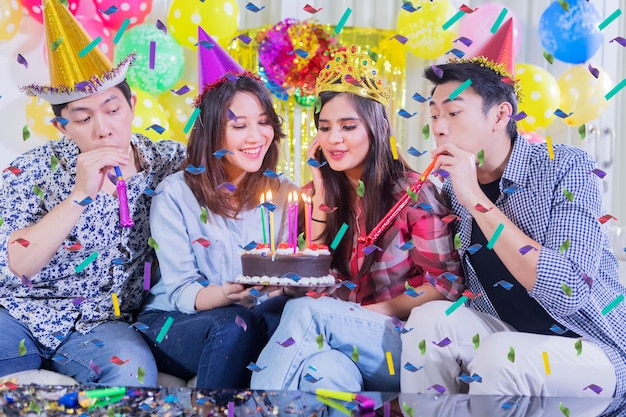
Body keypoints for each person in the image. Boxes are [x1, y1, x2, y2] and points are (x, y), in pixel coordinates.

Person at [400, 19, 626, 397]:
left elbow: (570, 290)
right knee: (428, 321)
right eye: (434, 114)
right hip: (507, 336)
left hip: (590, 348)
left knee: (500, 355)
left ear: (501, 115)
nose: (439, 127)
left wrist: (477, 199)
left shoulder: (567, 167)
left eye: (453, 113)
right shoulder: (449, 186)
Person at [251, 45, 463, 394]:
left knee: (307, 313)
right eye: (325, 127)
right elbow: (310, 279)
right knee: (323, 372)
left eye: (348, 126)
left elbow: (446, 286)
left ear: (376, 128)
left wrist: (369, 312)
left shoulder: (414, 193)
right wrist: (320, 192)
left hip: (404, 342)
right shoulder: (316, 193)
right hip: (339, 337)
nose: (334, 139)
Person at [0, 0, 185, 386]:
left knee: (132, 374)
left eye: (112, 109)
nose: (103, 128)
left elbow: (233, 175)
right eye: (83, 118)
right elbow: (19, 263)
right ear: (62, 126)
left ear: (132, 105)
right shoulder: (29, 170)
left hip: (103, 325)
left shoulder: (169, 161)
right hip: (17, 312)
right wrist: (78, 196)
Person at [137, 69, 301, 389]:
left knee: (286, 317)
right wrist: (228, 293)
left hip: (248, 319)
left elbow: (284, 273)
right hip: (174, 321)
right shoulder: (175, 194)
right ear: (212, 133)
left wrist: (293, 286)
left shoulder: (284, 194)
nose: (256, 136)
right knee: (234, 323)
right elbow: (183, 291)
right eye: (239, 125)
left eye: (264, 121)